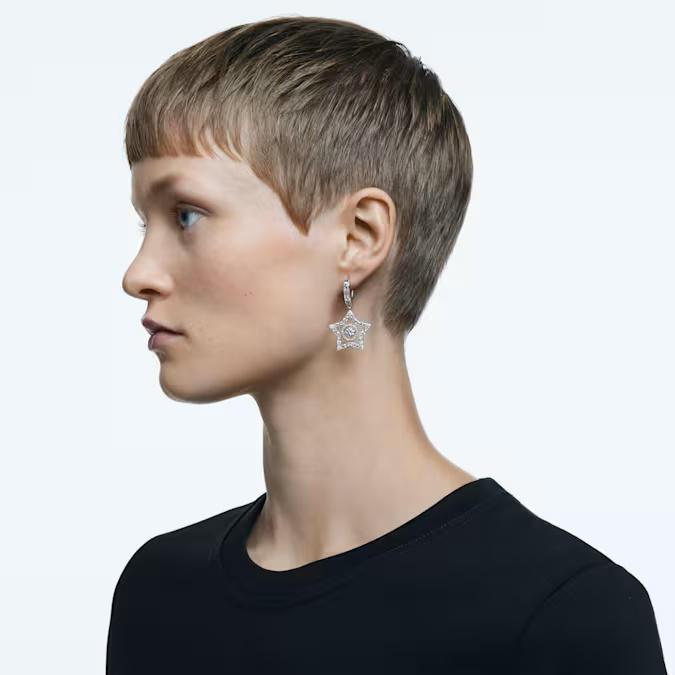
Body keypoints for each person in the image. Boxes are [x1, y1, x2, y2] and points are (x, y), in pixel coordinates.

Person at [107, 15, 668, 675]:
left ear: (359, 237)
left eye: (186, 215)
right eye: (145, 222)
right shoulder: (161, 590)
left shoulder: (562, 615)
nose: (138, 273)